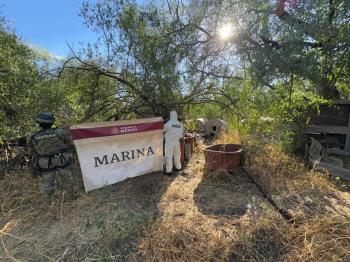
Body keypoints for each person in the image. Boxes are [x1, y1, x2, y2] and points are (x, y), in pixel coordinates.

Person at [27, 112, 75, 201]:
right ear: (52, 122)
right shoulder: (59, 131)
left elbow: (31, 150)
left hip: (44, 162)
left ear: (38, 122)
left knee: (47, 183)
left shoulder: (32, 136)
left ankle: (47, 203)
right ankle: (70, 198)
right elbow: (70, 143)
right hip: (61, 159)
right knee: (67, 179)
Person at [164, 111, 184, 176]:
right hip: (177, 142)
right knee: (177, 155)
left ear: (170, 116)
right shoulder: (180, 125)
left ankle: (169, 171)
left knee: (169, 156)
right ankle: (178, 167)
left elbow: (163, 131)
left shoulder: (168, 124)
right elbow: (181, 134)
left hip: (169, 142)